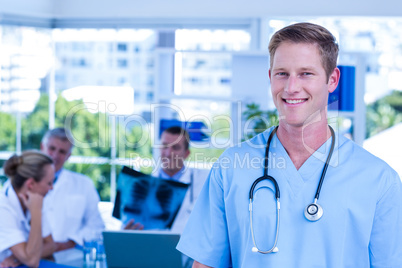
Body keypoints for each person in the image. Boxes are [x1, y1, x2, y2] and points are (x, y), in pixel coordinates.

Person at [177, 22, 402, 267]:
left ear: (332, 79)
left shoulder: (378, 180)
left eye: (306, 73)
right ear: (270, 77)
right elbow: (206, 264)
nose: (291, 87)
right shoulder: (231, 168)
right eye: (282, 73)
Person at [125, 126, 209, 233]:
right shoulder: (142, 185)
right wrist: (126, 231)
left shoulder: (202, 180)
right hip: (152, 246)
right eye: (165, 146)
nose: (168, 153)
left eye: (176, 148)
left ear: (187, 153)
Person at [40, 128, 105, 251]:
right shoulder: (23, 183)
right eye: (52, 148)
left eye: (62, 152)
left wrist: (72, 241)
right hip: (31, 258)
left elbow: (96, 226)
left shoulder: (84, 184)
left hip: (69, 257)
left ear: (68, 156)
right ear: (42, 147)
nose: (55, 156)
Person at [0, 150, 56, 267]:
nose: (52, 188)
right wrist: (36, 211)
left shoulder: (34, 199)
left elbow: (51, 245)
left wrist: (18, 256)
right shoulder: (3, 207)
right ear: (31, 184)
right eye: (49, 183)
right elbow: (32, 261)